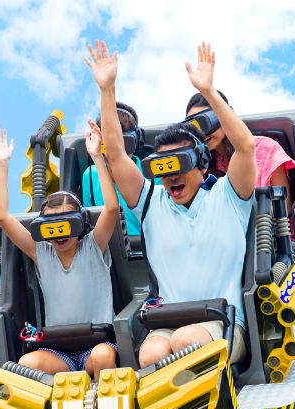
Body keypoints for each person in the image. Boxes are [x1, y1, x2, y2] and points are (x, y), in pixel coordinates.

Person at [85, 40, 256, 367]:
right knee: (150, 352)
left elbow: (245, 147)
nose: (170, 178)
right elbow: (117, 155)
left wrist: (208, 93)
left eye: (179, 166)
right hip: (168, 321)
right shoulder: (151, 203)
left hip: (221, 322)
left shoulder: (229, 197)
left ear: (202, 164)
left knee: (185, 342)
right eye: (163, 169)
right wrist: (107, 90)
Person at [0, 123, 119, 381]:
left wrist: (96, 156)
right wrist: (2, 165)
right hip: (59, 351)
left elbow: (112, 208)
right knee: (27, 362)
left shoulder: (94, 245)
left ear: (80, 223)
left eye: (66, 225)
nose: (59, 234)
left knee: (104, 357)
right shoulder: (41, 253)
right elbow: (2, 217)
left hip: (98, 346)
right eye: (52, 227)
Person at [186, 91, 295, 240]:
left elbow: (285, 207)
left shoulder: (265, 147)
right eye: (193, 126)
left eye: (206, 122)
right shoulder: (197, 165)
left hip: (270, 244)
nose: (201, 132)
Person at [81, 102, 160, 236]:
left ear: (136, 141)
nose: (115, 150)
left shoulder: (154, 173)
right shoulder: (89, 176)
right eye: (108, 141)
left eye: (122, 141)